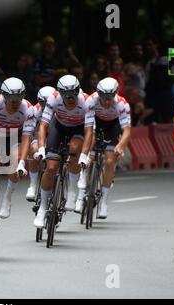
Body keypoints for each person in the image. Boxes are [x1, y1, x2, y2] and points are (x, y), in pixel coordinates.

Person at [33, 75, 94, 228]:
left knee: (74, 150)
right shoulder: (53, 99)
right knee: (51, 168)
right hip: (58, 127)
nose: (70, 98)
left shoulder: (86, 101)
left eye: (73, 94)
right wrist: (41, 147)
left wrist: (84, 155)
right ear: (60, 93)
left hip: (78, 128)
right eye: (66, 95)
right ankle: (42, 209)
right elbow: (43, 125)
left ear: (78, 91)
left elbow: (88, 131)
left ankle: (72, 192)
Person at [75, 77, 131, 218]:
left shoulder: (122, 104)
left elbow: (127, 131)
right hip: (95, 123)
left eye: (109, 98)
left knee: (110, 161)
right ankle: (81, 195)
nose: (106, 101)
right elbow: (89, 130)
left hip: (112, 126)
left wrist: (119, 145)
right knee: (89, 156)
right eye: (103, 98)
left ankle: (103, 202)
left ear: (115, 95)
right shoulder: (92, 101)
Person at [0, 77, 36, 221]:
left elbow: (26, 138)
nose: (15, 101)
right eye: (11, 98)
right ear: (3, 96)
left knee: (16, 160)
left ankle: (7, 197)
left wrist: (22, 163)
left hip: (15, 137)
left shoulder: (28, 109)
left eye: (19, 97)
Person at [26, 86, 55, 201]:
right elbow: (30, 132)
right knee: (34, 149)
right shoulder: (36, 110)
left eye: (48, 103)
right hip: (40, 134)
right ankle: (32, 185)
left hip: (56, 133)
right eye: (42, 102)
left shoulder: (61, 107)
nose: (45, 106)